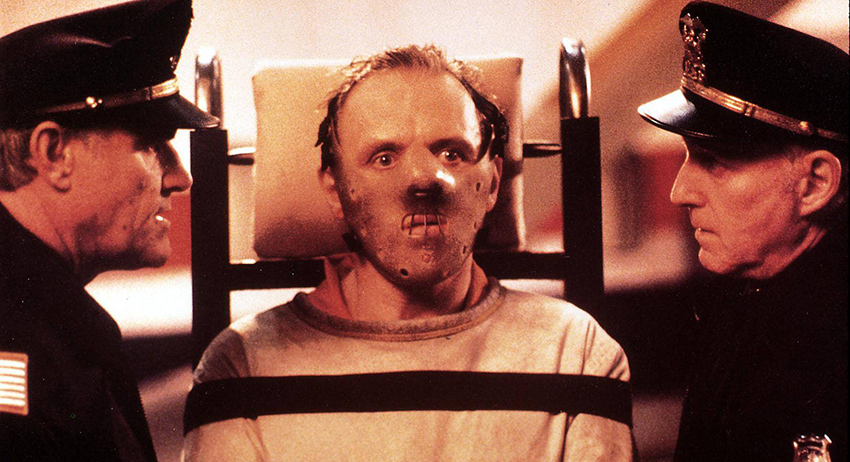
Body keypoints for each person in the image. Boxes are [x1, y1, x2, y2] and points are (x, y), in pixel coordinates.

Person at [183, 45, 635, 461]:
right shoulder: (243, 366)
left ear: (493, 182)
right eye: (384, 157)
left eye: (452, 153)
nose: (424, 179)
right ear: (336, 190)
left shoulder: (572, 351)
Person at [0, 0, 218, 460]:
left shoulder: (53, 319)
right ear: (55, 153)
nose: (180, 178)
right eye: (152, 146)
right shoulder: (25, 340)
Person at [638, 2, 848, 461]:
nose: (679, 193)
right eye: (688, 155)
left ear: (815, 183)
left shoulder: (826, 342)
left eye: (715, 161)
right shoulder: (744, 302)